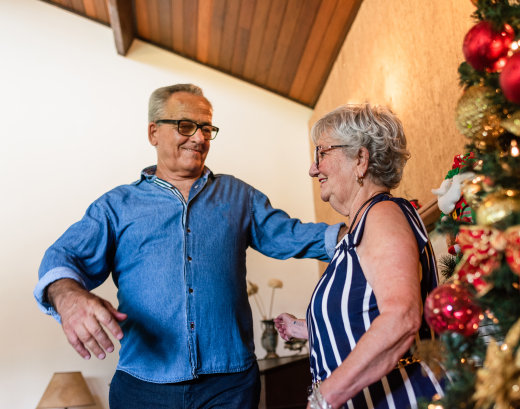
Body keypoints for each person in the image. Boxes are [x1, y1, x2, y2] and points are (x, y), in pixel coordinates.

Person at [33, 84, 342, 409]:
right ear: (154, 132)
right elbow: (62, 257)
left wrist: (361, 232)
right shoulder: (116, 206)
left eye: (207, 128)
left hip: (231, 386)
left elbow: (291, 234)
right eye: (186, 126)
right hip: (142, 389)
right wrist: (67, 297)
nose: (199, 137)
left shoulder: (239, 196)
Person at [274, 104, 445, 409]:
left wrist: (324, 397)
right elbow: (363, 317)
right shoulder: (358, 231)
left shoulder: (381, 215)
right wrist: (307, 325)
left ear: (360, 160)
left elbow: (401, 317)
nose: (313, 169)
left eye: (321, 153)